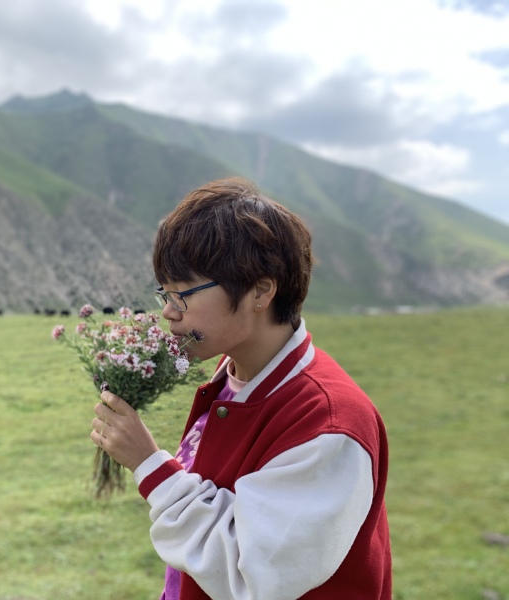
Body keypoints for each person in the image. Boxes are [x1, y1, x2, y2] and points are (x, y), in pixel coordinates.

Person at [90, 178, 391, 600]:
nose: (168, 313)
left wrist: (149, 465)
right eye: (165, 293)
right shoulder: (233, 375)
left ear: (260, 291)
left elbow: (250, 579)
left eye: (183, 294)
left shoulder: (330, 425)